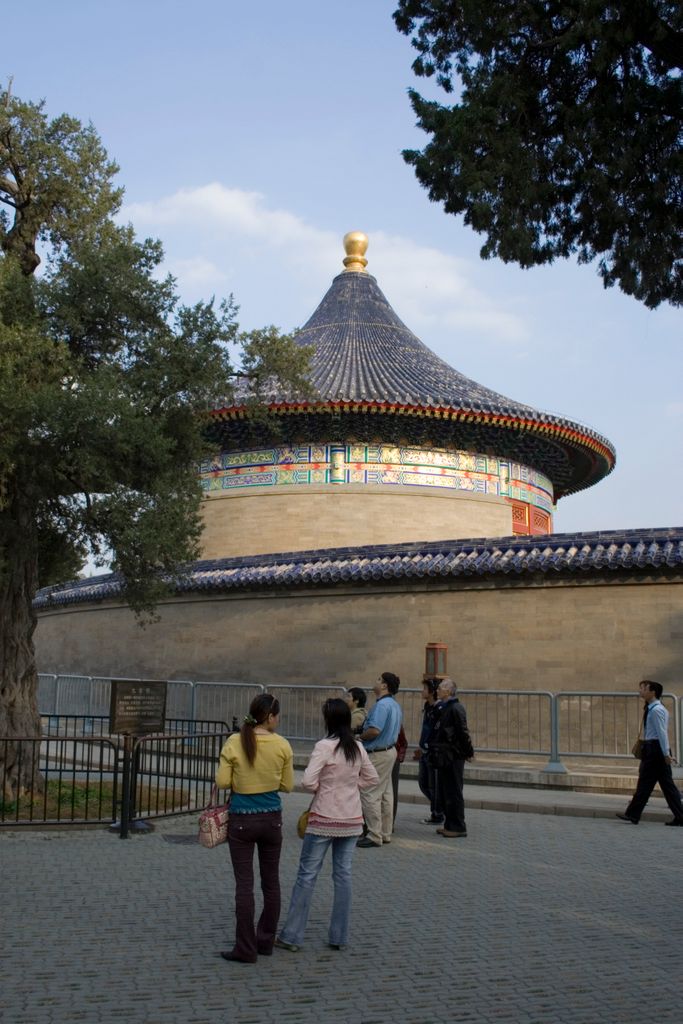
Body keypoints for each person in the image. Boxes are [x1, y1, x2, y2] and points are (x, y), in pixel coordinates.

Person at [275, 698, 378, 952]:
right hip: (352, 819)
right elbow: (372, 778)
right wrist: (351, 788)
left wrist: (326, 789)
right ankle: (339, 936)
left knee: (307, 875)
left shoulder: (324, 746)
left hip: (324, 816)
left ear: (328, 720)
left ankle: (291, 936)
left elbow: (307, 781)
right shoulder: (357, 747)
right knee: (343, 875)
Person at [215, 693, 294, 963]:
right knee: (271, 884)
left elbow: (223, 781)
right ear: (270, 717)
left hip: (241, 820)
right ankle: (265, 941)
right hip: (272, 819)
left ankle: (245, 948)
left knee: (244, 885)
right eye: (278, 715)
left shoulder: (234, 741)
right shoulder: (283, 745)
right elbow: (287, 785)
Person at [617, 680, 683, 826]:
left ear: (652, 692)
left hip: (655, 750)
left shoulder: (657, 710)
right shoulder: (652, 708)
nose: (640, 691)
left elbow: (662, 733)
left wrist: (666, 754)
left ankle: (633, 814)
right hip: (653, 749)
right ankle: (679, 816)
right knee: (663, 785)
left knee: (648, 783)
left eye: (643, 689)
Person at [357, 671, 403, 848]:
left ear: (384, 685)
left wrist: (361, 736)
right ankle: (385, 832)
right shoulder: (394, 705)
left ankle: (374, 834)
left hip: (378, 752)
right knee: (386, 794)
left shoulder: (381, 705)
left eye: (378, 680)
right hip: (389, 751)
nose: (375, 682)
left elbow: (375, 730)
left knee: (370, 793)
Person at [430, 678, 473, 839]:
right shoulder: (445, 707)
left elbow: (463, 732)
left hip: (453, 755)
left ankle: (458, 826)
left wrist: (468, 752)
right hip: (445, 755)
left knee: (454, 790)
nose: (438, 690)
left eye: (440, 688)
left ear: (448, 691)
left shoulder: (456, 708)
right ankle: (449, 824)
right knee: (446, 790)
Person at [414, 676, 443, 824]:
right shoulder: (428, 707)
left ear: (432, 691)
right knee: (423, 783)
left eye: (425, 688)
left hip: (433, 752)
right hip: (424, 750)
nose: (422, 691)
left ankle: (437, 813)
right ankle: (439, 807)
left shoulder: (439, 709)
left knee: (433, 785)